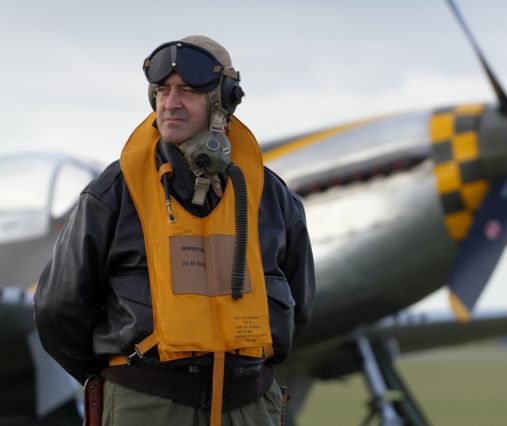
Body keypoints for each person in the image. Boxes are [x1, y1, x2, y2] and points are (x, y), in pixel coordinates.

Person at [34, 35, 315, 426]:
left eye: (188, 91)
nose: (171, 102)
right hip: (149, 403)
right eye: (163, 90)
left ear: (223, 103)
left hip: (251, 404)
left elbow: (299, 305)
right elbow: (58, 309)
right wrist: (124, 379)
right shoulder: (113, 194)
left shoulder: (273, 198)